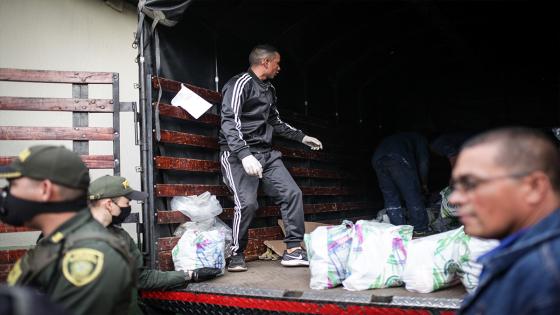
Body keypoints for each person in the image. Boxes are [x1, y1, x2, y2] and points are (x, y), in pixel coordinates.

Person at [218, 44, 323, 271]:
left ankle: (293, 250)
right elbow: (229, 121)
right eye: (277, 63)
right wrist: (244, 155)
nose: (279, 68)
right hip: (237, 155)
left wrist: (302, 137)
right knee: (247, 204)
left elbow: (275, 122)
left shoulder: (269, 89)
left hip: (266, 154)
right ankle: (237, 253)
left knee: (292, 193)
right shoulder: (239, 84)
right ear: (265, 62)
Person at [0, 145, 134, 315]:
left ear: (45, 190)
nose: (6, 193)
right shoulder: (56, 242)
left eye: (13, 184)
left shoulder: (91, 257)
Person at [449, 127, 560, 314]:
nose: (454, 199)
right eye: (457, 186)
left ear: (534, 187)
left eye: (470, 184)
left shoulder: (544, 272)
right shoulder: (525, 262)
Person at [372, 132, 431, 236]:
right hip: (397, 157)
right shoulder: (420, 138)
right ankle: (420, 228)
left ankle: (399, 231)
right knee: (412, 194)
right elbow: (424, 162)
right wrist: (424, 183)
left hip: (377, 159)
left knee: (390, 197)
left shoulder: (399, 138)